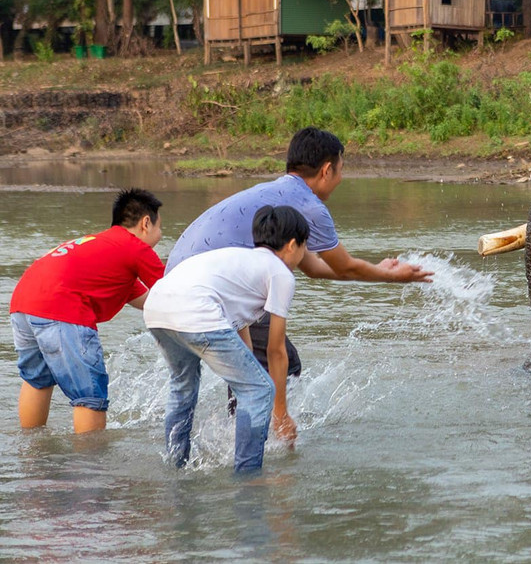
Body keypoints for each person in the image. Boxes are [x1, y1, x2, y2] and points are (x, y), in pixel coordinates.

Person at [166, 127, 432, 381]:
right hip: (207, 290)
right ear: (327, 170)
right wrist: (392, 276)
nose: (340, 178)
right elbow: (345, 267)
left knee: (237, 371)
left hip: (172, 287)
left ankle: (241, 424)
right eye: (341, 170)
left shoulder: (276, 193)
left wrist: (379, 269)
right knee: (281, 364)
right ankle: (271, 425)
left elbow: (313, 268)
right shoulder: (309, 206)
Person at [144, 205, 309, 474]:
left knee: (183, 386)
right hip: (194, 310)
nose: (304, 255)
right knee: (260, 390)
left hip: (156, 307)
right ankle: (248, 476)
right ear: (292, 245)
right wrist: (280, 414)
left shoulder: (239, 261)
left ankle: (175, 465)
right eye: (305, 247)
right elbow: (276, 350)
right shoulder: (280, 273)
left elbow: (241, 332)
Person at [9, 188, 165, 433]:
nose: (160, 236)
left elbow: (150, 299)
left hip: (22, 305)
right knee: (90, 396)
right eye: (160, 229)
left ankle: (32, 456)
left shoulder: (98, 243)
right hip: (60, 309)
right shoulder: (135, 247)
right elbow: (172, 292)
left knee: (37, 380)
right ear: (146, 223)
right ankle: (90, 468)